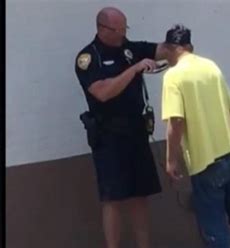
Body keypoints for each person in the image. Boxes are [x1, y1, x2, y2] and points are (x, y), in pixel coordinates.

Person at [74, 7, 167, 248]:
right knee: (113, 198)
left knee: (139, 196)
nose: (124, 33)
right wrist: (134, 69)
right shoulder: (88, 58)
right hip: (109, 136)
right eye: (119, 29)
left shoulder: (129, 48)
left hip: (135, 131)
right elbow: (102, 92)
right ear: (103, 29)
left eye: (126, 27)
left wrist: (177, 41)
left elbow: (160, 50)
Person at [161, 24, 230, 248]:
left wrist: (171, 160)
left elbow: (176, 121)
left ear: (170, 49)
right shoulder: (211, 67)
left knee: (215, 231)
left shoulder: (173, 77)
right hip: (229, 156)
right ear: (190, 46)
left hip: (204, 163)